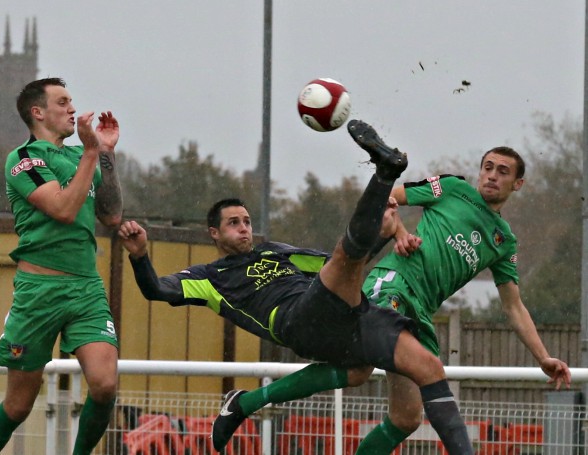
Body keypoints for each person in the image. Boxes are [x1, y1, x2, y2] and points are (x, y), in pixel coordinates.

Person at [118, 120, 475, 455]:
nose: (243, 228)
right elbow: (157, 291)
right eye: (233, 223)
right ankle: (383, 174)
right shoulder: (210, 277)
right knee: (344, 260)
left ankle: (244, 403)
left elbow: (344, 264)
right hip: (297, 321)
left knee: (426, 368)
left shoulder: (276, 252)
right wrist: (139, 256)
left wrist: (381, 239)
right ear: (214, 233)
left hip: (347, 314)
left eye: (246, 221)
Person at [209, 132, 572, 453]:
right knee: (364, 367)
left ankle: (244, 403)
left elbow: (513, 306)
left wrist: (542, 357)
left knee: (405, 418)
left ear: (518, 184)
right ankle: (245, 404)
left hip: (421, 309)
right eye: (488, 167)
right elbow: (386, 200)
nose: (492, 175)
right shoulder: (452, 188)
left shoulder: (503, 241)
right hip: (392, 284)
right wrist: (399, 233)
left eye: (503, 171)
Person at [0, 77, 123, 455]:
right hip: (38, 291)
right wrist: (91, 154)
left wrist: (104, 152)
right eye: (62, 102)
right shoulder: (24, 159)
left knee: (105, 385)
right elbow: (62, 208)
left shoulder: (80, 155)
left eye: (72, 101)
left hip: (86, 289)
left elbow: (111, 215)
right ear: (37, 112)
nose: (72, 109)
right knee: (18, 406)